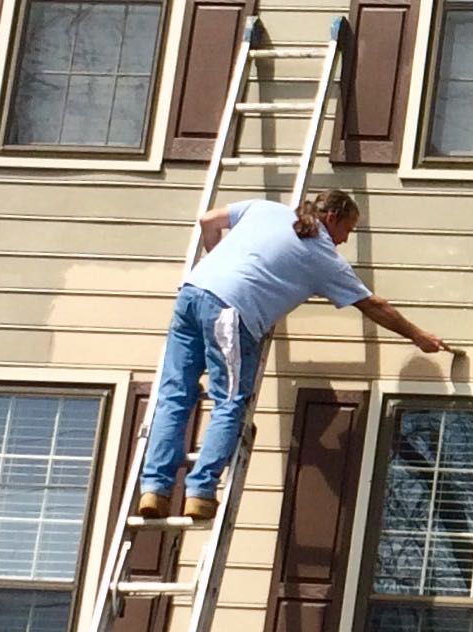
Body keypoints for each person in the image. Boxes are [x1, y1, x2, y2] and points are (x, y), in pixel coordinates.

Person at [138, 189, 452, 521]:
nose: (345, 240)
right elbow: (373, 305)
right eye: (348, 229)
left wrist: (220, 263)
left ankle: (154, 489)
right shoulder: (323, 257)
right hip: (230, 313)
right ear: (332, 218)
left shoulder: (264, 209)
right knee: (229, 400)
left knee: (174, 394)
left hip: (192, 293)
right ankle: (200, 492)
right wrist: (418, 336)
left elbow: (208, 220)